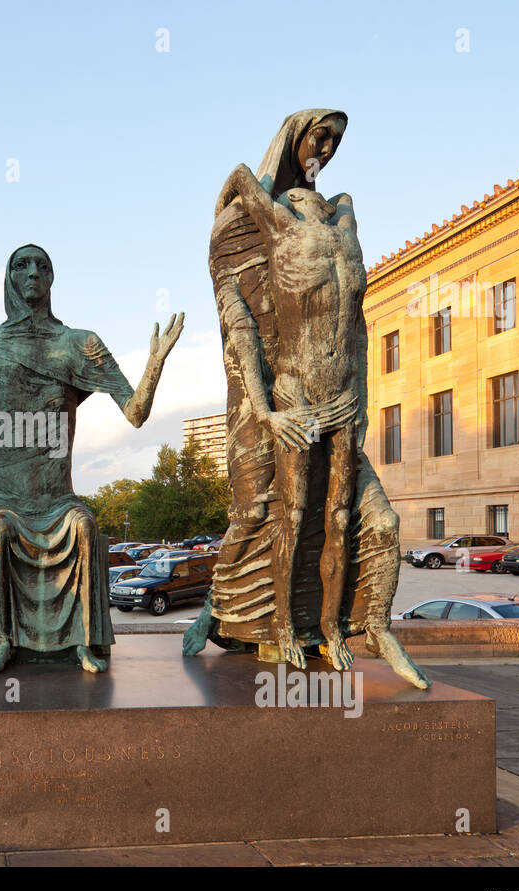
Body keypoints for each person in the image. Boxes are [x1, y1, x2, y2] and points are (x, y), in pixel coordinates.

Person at [181, 110, 429, 690]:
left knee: (367, 521)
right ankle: (233, 612)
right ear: (293, 141)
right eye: (319, 136)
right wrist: (265, 409)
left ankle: (357, 626)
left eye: (336, 141)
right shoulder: (265, 223)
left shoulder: (343, 217)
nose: (327, 148)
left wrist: (363, 400)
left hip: (340, 400)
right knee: (264, 514)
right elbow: (237, 311)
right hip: (283, 396)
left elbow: (359, 326)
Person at [0, 244, 182, 674]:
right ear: (8, 277)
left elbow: (134, 413)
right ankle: (3, 639)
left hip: (57, 498)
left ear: (53, 278)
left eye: (42, 265)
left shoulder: (80, 343)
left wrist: (155, 362)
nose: (33, 272)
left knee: (85, 525)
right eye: (21, 265)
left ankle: (83, 642)